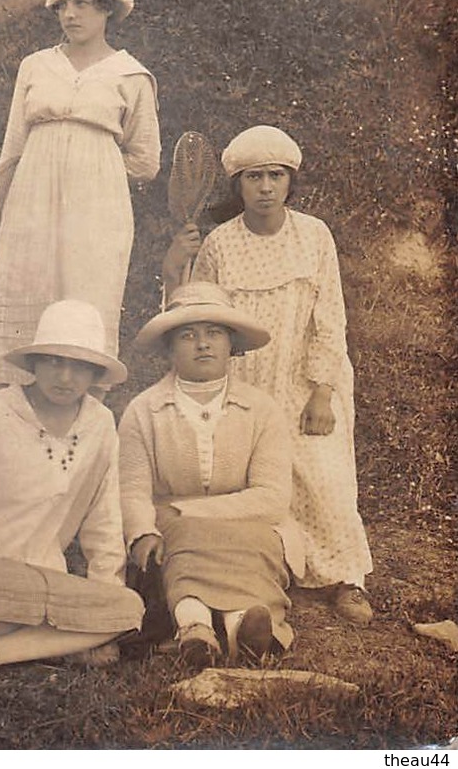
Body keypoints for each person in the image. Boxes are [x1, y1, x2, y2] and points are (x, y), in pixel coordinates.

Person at [164, 124, 375, 624]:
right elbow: (196, 316)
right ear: (237, 185)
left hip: (305, 381)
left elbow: (330, 317)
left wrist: (322, 390)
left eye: (275, 176)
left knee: (324, 478)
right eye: (253, 177)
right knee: (249, 487)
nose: (264, 187)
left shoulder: (314, 235)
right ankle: (271, 570)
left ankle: (346, 578)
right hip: (247, 383)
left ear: (289, 181)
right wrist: (177, 263)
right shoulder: (219, 243)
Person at [0, 300, 142, 668]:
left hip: (39, 579)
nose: (65, 377)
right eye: (53, 361)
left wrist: (106, 594)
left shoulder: (101, 425)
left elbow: (104, 522)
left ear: (96, 372)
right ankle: (64, 641)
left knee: (127, 607)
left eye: (79, 366)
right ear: (34, 363)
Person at [0, 0, 160, 400]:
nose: (70, 15)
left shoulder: (130, 75)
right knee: (21, 291)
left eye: (82, 5)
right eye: (62, 6)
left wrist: (93, 171)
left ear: (107, 10)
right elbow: (13, 148)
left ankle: (79, 421)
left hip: (96, 210)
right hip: (31, 203)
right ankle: (3, 418)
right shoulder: (36, 66)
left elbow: (145, 161)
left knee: (84, 298)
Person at [120, 282, 303, 666]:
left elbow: (270, 498)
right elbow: (133, 488)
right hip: (171, 527)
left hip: (247, 520)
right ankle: (195, 629)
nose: (203, 344)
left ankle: (245, 630)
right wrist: (141, 531)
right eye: (188, 335)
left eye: (214, 333)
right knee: (181, 537)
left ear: (231, 344)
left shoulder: (261, 409)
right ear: (170, 347)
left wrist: (189, 512)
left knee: (250, 540)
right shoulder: (144, 410)